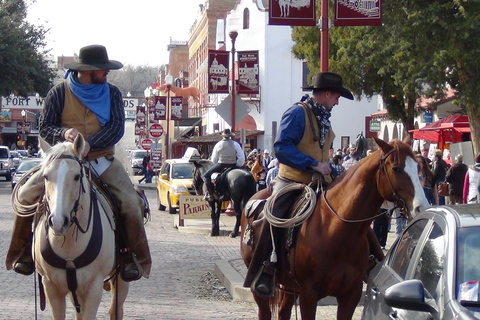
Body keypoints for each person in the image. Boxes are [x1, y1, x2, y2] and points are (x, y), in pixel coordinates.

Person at [5, 45, 151, 282]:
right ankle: (23, 252)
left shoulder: (112, 93)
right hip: (62, 161)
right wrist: (64, 134)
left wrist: (90, 143)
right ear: (87, 71)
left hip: (101, 159)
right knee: (25, 195)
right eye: (102, 70)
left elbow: (116, 128)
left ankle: (130, 256)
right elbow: (45, 128)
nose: (106, 74)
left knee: (131, 202)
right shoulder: (58, 93)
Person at [244, 72, 383, 297]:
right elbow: (282, 147)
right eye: (337, 97)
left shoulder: (323, 117)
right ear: (327, 94)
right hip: (291, 180)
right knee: (275, 215)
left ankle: (375, 264)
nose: (337, 102)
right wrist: (313, 164)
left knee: (353, 216)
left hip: (321, 181)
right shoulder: (297, 112)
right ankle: (266, 269)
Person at [203, 128, 245, 201]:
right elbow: (241, 157)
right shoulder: (235, 144)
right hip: (233, 165)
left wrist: (216, 164)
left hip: (221, 164)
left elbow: (214, 159)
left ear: (223, 136)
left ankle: (210, 195)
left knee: (206, 175)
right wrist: (238, 164)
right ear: (230, 136)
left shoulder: (218, 144)